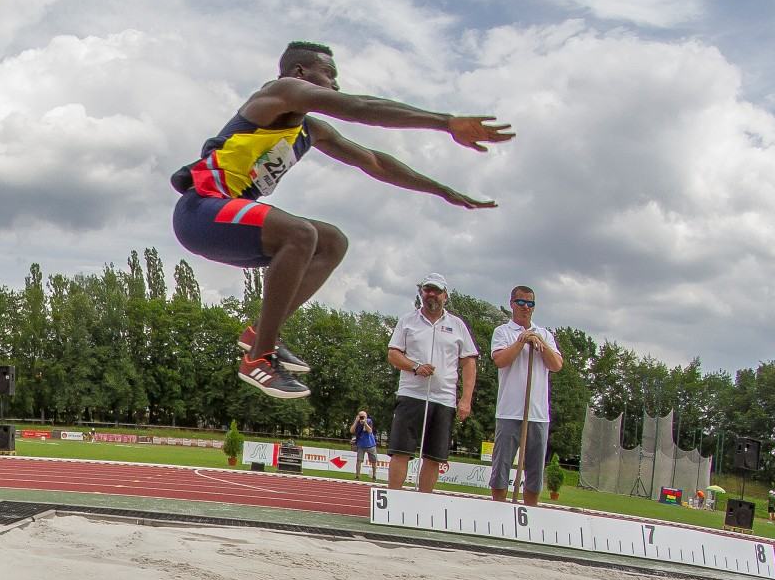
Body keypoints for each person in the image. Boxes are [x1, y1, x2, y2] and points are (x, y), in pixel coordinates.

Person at [169, 40, 511, 399]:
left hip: (228, 219)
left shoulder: (310, 131)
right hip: (200, 211)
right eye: (329, 74)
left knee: (332, 241)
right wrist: (446, 122)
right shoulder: (280, 92)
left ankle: (260, 334)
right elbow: (359, 107)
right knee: (300, 234)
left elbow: (374, 162)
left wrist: (440, 189)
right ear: (300, 72)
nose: (335, 84)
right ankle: (259, 357)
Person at [385, 275, 476, 494]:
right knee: (400, 451)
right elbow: (393, 354)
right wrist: (415, 366)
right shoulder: (407, 321)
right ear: (421, 293)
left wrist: (466, 399)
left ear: (445, 295)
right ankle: (393, 500)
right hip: (411, 394)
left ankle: (423, 502)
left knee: (434, 456)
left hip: (444, 398)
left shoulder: (457, 325)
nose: (431, 295)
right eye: (427, 290)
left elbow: (469, 363)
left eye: (436, 291)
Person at [488, 284, 564, 504]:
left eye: (530, 303)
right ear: (512, 304)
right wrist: (521, 341)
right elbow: (500, 360)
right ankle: (498, 508)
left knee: (534, 471)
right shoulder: (502, 332)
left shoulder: (544, 334)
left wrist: (539, 343)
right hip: (509, 411)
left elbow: (556, 365)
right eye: (521, 302)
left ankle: (530, 510)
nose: (525, 307)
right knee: (501, 466)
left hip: (537, 414)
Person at [350, 410, 378, 479]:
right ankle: (357, 476)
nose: (362, 418)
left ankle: (374, 476)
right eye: (361, 416)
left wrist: (365, 423)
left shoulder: (369, 421)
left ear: (366, 416)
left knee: (374, 461)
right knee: (359, 460)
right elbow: (351, 431)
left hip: (370, 444)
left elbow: (370, 431)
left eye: (363, 416)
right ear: (358, 416)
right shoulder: (357, 422)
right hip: (361, 445)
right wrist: (356, 421)